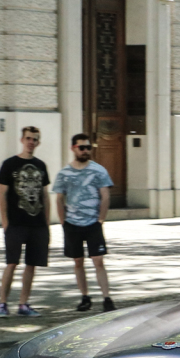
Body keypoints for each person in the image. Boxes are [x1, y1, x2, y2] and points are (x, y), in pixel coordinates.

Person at [53, 133, 115, 312]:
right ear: (73, 148)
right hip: (72, 224)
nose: (86, 151)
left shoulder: (99, 171)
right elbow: (59, 198)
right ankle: (85, 297)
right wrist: (63, 222)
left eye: (88, 147)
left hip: (93, 224)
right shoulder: (64, 173)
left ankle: (107, 298)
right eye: (82, 147)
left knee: (98, 260)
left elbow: (105, 196)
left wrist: (100, 220)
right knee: (78, 261)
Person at [0, 126, 51, 316]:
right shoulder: (9, 164)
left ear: (38, 142)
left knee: (31, 264)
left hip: (37, 224)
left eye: (35, 139)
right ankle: (2, 303)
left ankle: (23, 304)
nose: (31, 142)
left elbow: (45, 195)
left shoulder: (41, 165)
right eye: (28, 138)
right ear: (22, 140)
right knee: (11, 263)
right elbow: (2, 194)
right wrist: (5, 222)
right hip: (16, 223)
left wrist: (47, 222)